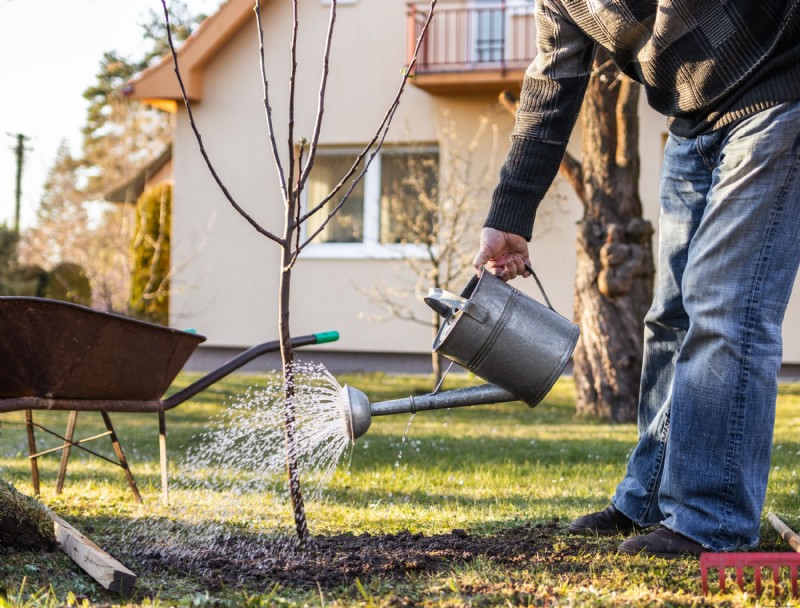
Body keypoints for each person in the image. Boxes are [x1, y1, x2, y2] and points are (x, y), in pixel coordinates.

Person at [473, 0, 800, 558]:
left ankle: (712, 521)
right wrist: (510, 215)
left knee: (724, 309)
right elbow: (554, 76)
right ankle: (648, 496)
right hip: (692, 122)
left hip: (776, 90)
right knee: (669, 319)